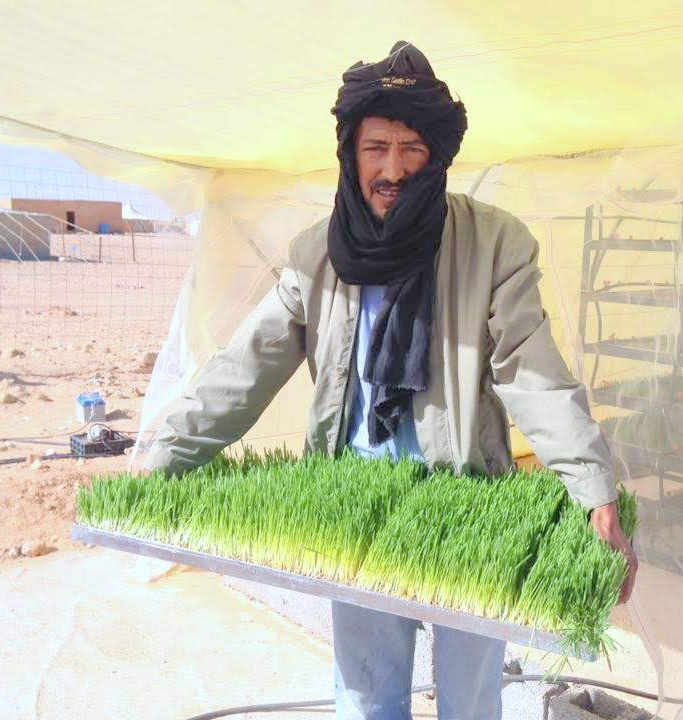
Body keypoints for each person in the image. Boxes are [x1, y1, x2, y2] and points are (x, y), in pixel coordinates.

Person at [146, 41, 637, 720]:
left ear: (436, 156)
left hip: (464, 500)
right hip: (357, 504)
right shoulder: (317, 253)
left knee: (471, 698)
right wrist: (162, 452)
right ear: (350, 152)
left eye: (412, 148)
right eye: (376, 147)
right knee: (368, 695)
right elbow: (246, 363)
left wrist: (591, 485)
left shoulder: (494, 243)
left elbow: (530, 367)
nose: (393, 169)